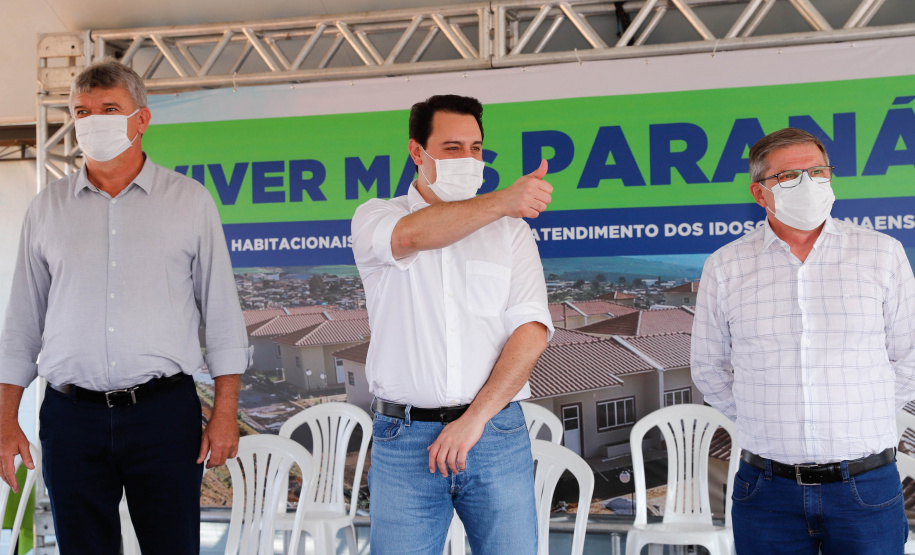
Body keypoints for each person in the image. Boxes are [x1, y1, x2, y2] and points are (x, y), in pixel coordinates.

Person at [0, 59, 251, 554]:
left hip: (163, 414)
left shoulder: (189, 201)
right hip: (70, 417)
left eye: (110, 108)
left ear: (142, 119)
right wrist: (5, 419)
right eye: (82, 112)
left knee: (171, 546)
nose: (94, 122)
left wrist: (225, 412)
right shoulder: (47, 207)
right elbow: (22, 323)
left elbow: (221, 313)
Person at [691, 127, 915, 554]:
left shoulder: (881, 253)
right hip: (767, 491)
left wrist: (857, 413)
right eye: (790, 176)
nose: (809, 184)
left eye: (818, 171)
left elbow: (910, 356)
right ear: (760, 193)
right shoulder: (726, 266)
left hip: (866, 487)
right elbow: (707, 366)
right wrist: (765, 415)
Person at [351, 94, 554, 554]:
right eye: (452, 148)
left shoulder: (510, 231)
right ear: (416, 153)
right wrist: (503, 200)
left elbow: (531, 332)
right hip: (404, 443)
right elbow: (412, 235)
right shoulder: (377, 217)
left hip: (495, 435)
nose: (469, 159)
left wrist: (473, 420)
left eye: (476, 148)